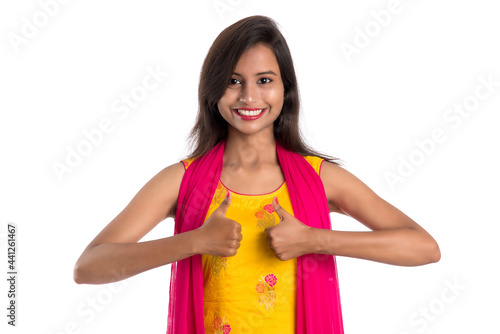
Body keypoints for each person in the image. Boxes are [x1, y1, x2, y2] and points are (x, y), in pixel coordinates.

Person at [73, 15, 440, 333]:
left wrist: (314, 238)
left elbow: (424, 248)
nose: (249, 97)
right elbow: (89, 267)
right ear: (213, 90)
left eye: (264, 80)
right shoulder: (181, 181)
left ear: (285, 90)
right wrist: (194, 242)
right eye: (234, 81)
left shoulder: (321, 178)